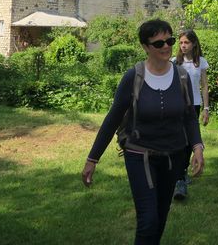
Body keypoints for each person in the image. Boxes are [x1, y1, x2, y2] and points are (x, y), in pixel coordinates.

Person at [81, 19, 204, 245]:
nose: (166, 46)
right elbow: (113, 119)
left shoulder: (182, 77)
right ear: (146, 47)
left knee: (160, 217)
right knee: (148, 220)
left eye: (169, 41)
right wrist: (92, 158)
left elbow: (188, 117)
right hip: (140, 155)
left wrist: (197, 147)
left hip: (174, 155)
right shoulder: (134, 77)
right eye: (158, 43)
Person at [172, 30, 210, 201]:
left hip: (193, 106)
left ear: (194, 43)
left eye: (186, 42)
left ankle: (182, 171)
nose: (183, 45)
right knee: (179, 140)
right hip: (178, 106)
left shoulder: (200, 62)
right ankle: (179, 176)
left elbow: (204, 86)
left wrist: (206, 108)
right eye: (181, 43)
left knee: (190, 142)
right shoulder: (174, 62)